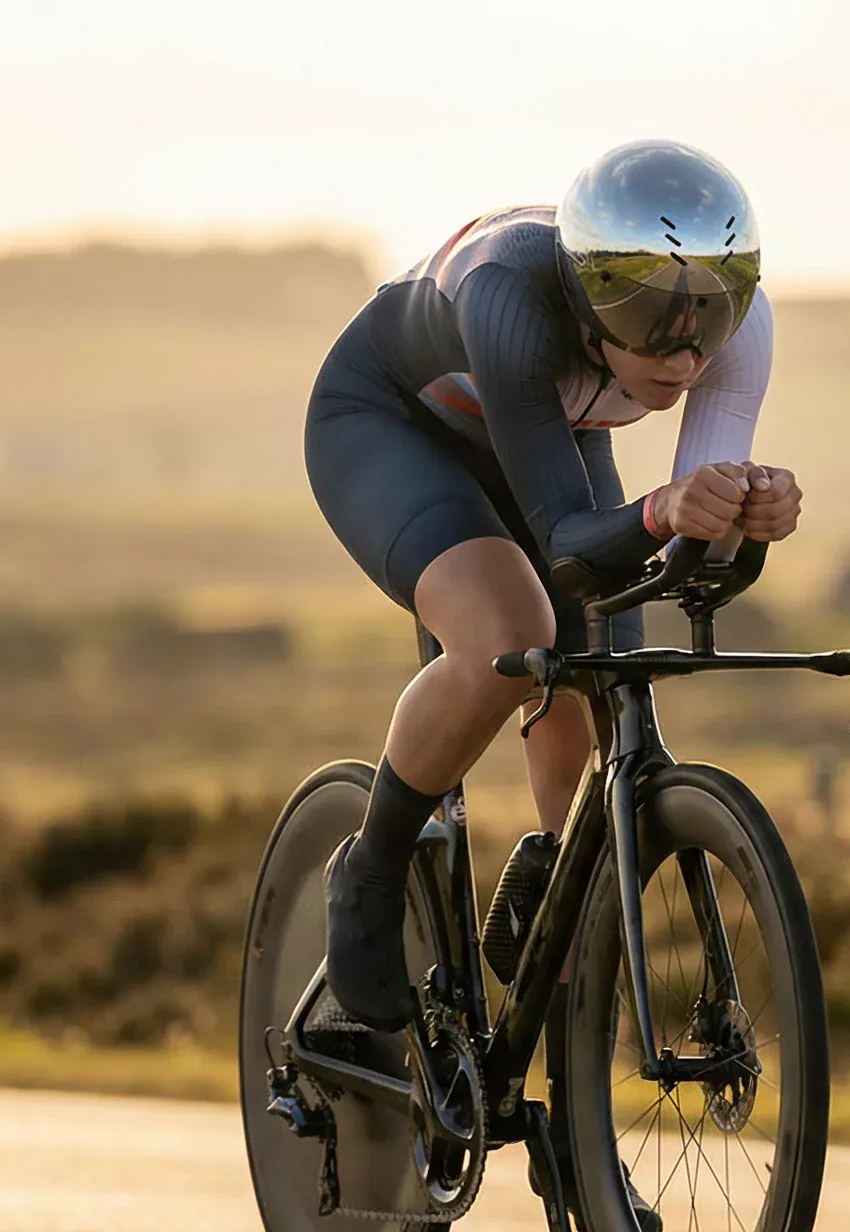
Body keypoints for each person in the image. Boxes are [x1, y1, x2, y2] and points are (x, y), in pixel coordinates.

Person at [304, 140, 802, 1028]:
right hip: (392, 425)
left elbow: (680, 560)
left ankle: (556, 902)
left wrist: (742, 518)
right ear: (587, 294)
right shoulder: (512, 294)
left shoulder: (737, 327)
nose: (683, 356)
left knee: (601, 659)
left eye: (706, 321)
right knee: (510, 633)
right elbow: (573, 541)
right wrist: (665, 512)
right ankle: (369, 873)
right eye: (651, 319)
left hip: (547, 430)